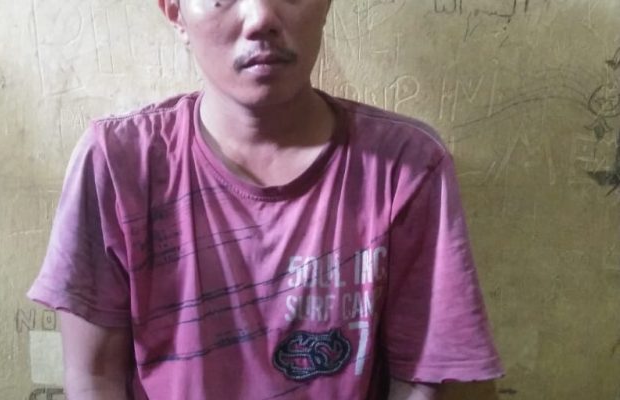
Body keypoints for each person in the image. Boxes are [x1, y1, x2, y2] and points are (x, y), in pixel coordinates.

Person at [26, 0, 505, 399]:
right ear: (175, 12)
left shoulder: (405, 167)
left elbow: (427, 379)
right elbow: (94, 376)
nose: (260, 18)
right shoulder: (119, 164)